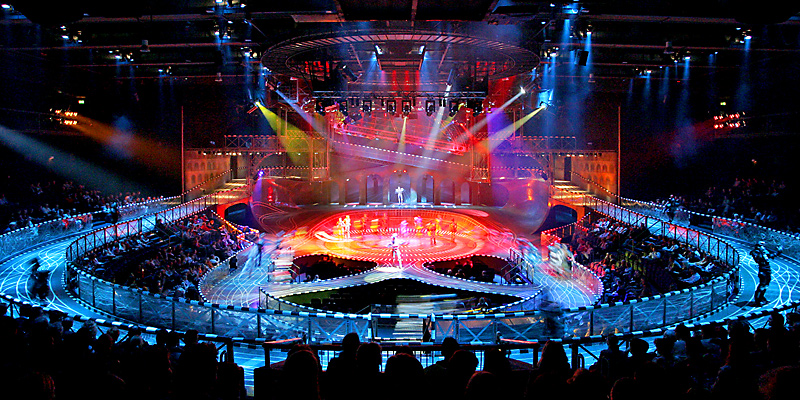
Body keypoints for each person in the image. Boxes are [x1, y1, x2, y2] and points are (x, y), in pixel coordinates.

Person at [751, 240, 781, 305]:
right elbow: (757, 259)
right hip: (763, 270)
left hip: (767, 270)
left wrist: (778, 252)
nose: (763, 247)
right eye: (762, 245)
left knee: (766, 285)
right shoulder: (756, 252)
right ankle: (757, 300)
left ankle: (761, 297)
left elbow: (771, 255)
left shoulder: (764, 252)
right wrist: (761, 252)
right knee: (762, 285)